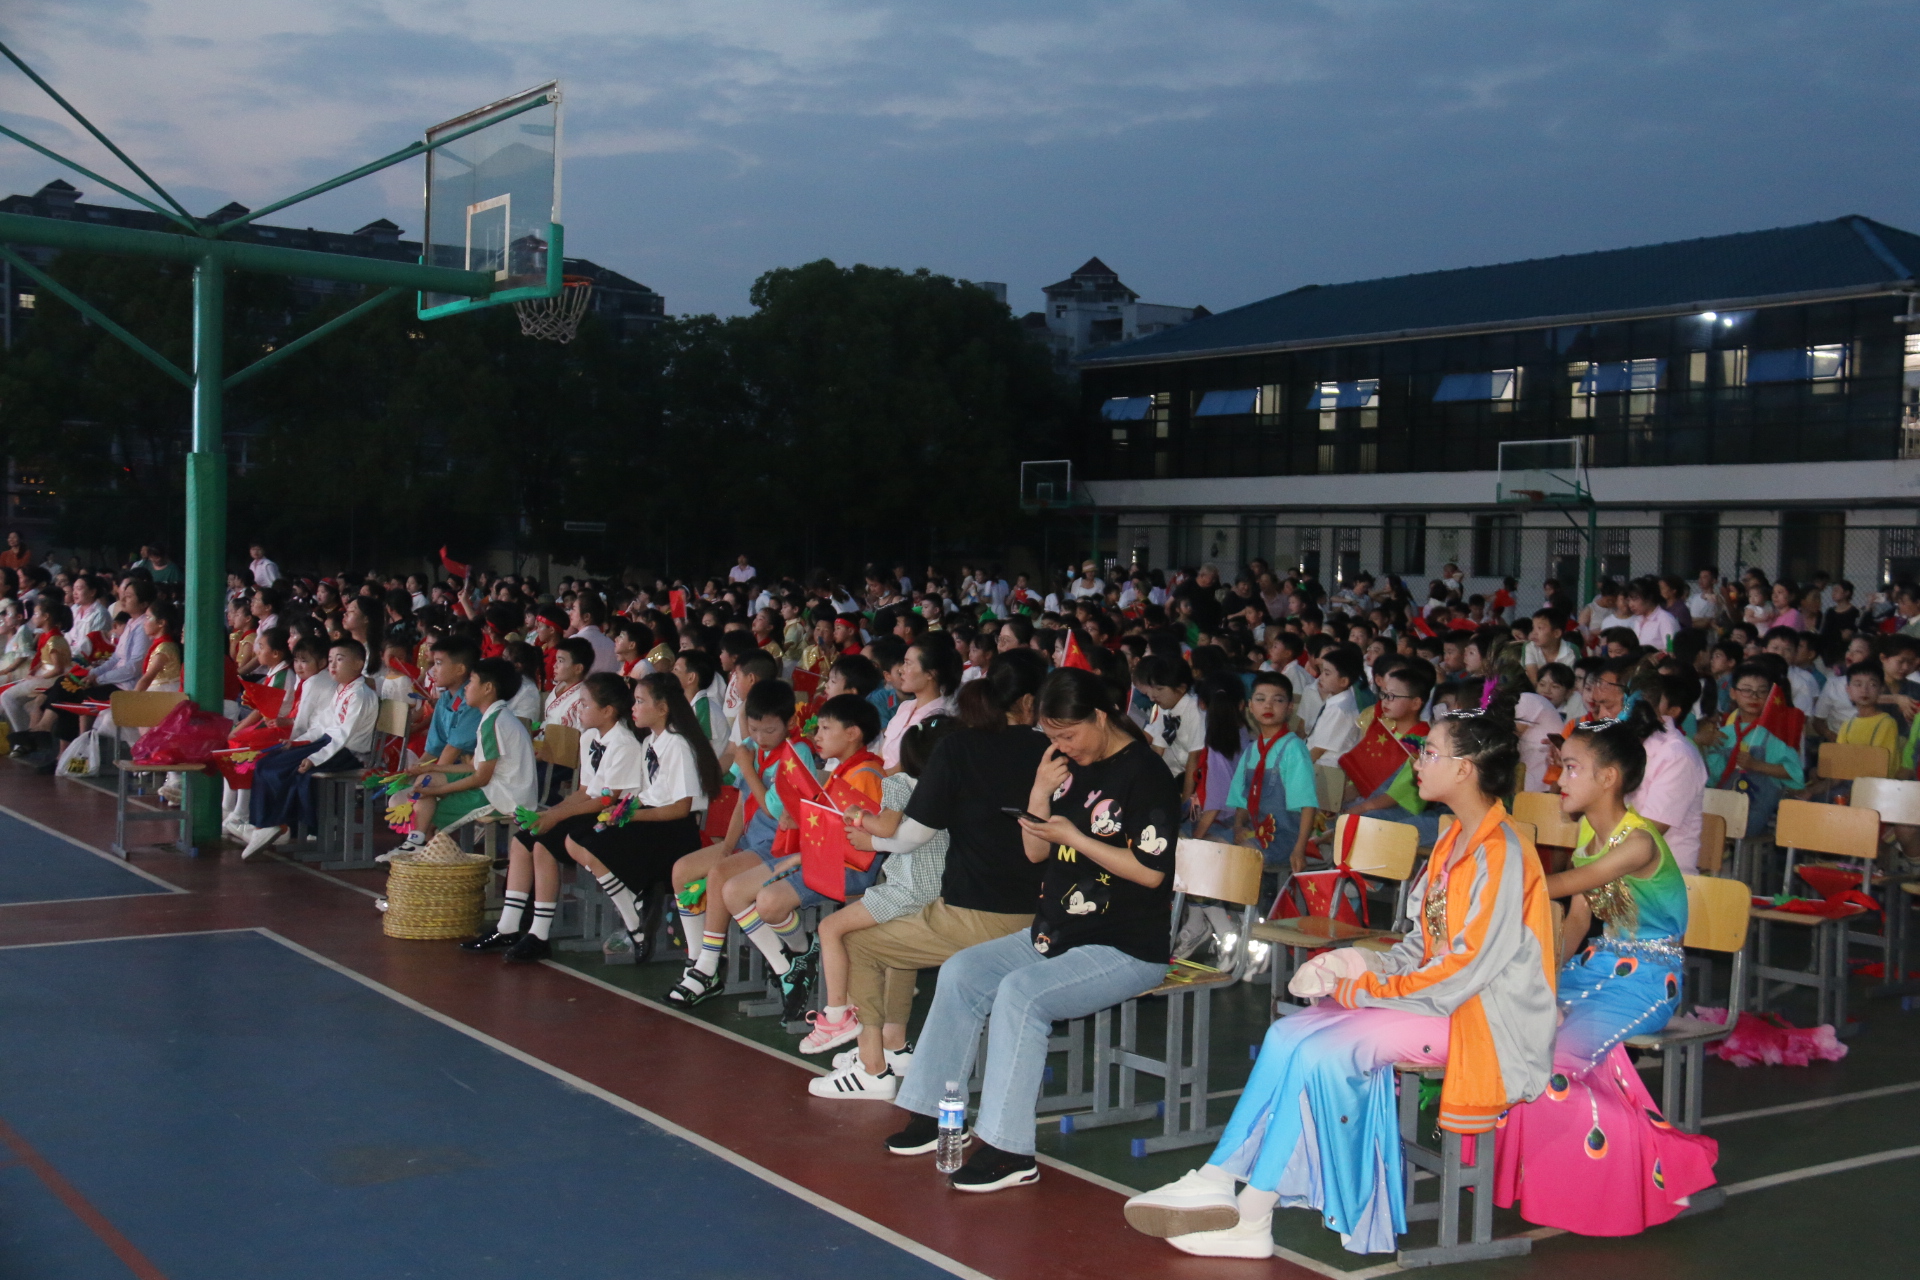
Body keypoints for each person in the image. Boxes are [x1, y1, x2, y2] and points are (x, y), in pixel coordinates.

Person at [1123, 695, 1556, 1258]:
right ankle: (1219, 1176)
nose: (1416, 762)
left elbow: (1465, 969)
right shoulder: (1453, 839)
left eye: (1429, 752)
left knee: (1323, 1052)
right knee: (1287, 1033)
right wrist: (1362, 962)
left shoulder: (1502, 853)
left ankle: (1252, 1212)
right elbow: (1420, 943)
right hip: (1443, 1003)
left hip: (1483, 1018)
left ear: (1464, 770)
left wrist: (1366, 987)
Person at [882, 667, 1178, 1193]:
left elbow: (1151, 873)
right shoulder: (1068, 767)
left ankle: (1009, 1148)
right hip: (1057, 931)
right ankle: (934, 1111)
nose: (1062, 745)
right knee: (962, 972)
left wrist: (1077, 838)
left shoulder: (1146, 773)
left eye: (1068, 733)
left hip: (1126, 945)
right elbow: (1036, 852)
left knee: (1021, 995)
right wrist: (1040, 793)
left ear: (1100, 717)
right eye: (1052, 735)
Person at [1493, 705, 1718, 1234]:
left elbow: (1563, 887)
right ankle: (1550, 1172)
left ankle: (1671, 1165)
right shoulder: (1589, 839)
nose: (1557, 778)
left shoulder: (1637, 843)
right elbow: (1578, 918)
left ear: (1609, 778)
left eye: (1571, 767)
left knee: (1555, 1064)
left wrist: (1491, 885)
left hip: (1646, 980)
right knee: (1509, 1029)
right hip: (1596, 966)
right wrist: (1547, 976)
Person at [835, 651, 1051, 1098]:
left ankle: (871, 1068)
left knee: (858, 941)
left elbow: (914, 833)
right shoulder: (1052, 751)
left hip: (977, 914)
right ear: (1031, 702)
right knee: (899, 933)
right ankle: (894, 1046)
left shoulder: (960, 747)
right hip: (1046, 916)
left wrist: (870, 840)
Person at [799, 713, 956, 1065]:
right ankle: (892, 1044)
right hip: (938, 890)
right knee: (899, 960)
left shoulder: (901, 783)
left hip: (907, 887)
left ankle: (837, 1014)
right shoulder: (952, 789)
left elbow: (886, 828)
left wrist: (858, 816)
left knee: (831, 928)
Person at [664, 678, 817, 1007]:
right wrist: (726, 846)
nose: (760, 738)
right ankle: (697, 959)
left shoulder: (796, 753)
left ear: (791, 722)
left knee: (720, 875)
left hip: (780, 846)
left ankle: (708, 969)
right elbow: (742, 802)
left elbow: (773, 809)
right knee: (682, 870)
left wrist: (747, 767)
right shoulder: (751, 747)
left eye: (769, 730)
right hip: (751, 839)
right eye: (754, 728)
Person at [239, 639, 378, 858]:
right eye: (330, 660)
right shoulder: (343, 689)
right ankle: (269, 824)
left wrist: (314, 758)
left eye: (339, 660)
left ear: (359, 664)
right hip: (329, 745)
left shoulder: (359, 694)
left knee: (281, 768)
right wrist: (298, 742)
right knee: (267, 762)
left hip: (346, 753)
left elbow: (342, 736)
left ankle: (272, 824)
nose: (332, 665)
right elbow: (322, 725)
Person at [406, 657, 538, 854]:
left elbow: (481, 777)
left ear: (488, 688)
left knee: (429, 812)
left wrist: (438, 791)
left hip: (504, 797)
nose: (466, 688)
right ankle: (418, 845)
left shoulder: (494, 723)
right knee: (428, 779)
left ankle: (418, 848)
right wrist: (432, 767)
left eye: (471, 682)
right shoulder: (493, 717)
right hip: (494, 786)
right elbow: (475, 767)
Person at [1226, 671, 1318, 870]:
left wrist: (1299, 849)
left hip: (1285, 836)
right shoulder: (1251, 750)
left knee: (1242, 856)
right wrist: (1238, 826)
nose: (1268, 706)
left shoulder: (1293, 748)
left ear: (1289, 707)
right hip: (1254, 830)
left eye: (1278, 700)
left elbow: (1307, 804)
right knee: (1212, 844)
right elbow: (1242, 799)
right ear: (1250, 706)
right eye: (1260, 699)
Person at [1698, 662, 1803, 834]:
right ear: (1733, 693)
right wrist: (1700, 743)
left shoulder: (1773, 736)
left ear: (1770, 696)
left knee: (1732, 826)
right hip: (1720, 805)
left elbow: (1795, 774)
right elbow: (1710, 778)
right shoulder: (1723, 734)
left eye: (1762, 691)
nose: (1754, 697)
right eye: (1747, 690)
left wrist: (1757, 765)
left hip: (1756, 810)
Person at [877, 636, 958, 771]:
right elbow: (882, 754)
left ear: (930, 674)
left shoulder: (939, 718)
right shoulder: (905, 706)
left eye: (908, 663)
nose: (901, 670)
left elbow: (904, 767)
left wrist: (872, 779)